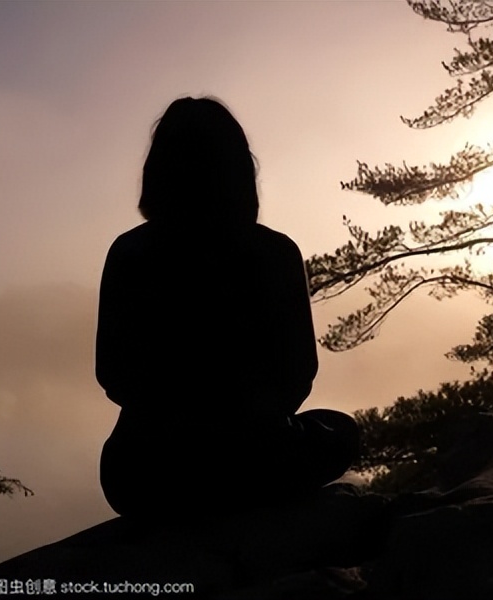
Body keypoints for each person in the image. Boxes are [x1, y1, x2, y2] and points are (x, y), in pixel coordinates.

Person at [96, 97, 359, 517]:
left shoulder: (130, 252)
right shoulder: (276, 252)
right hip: (254, 461)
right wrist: (247, 423)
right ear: (241, 170)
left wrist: (177, 420)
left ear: (158, 170)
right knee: (341, 430)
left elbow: (112, 374)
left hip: (144, 472)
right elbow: (298, 374)